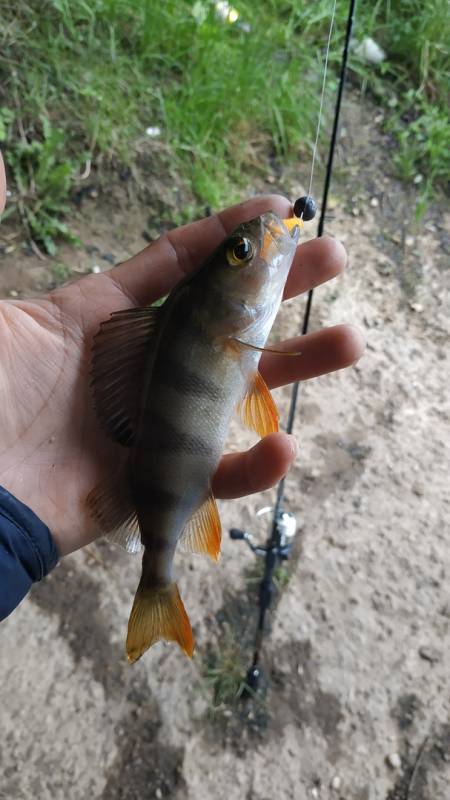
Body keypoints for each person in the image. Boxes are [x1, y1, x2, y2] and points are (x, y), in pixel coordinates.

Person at [0, 151, 364, 619]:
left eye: (240, 251)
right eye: (242, 252)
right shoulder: (210, 325)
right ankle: (159, 584)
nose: (262, 239)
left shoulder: (216, 327)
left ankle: (158, 578)